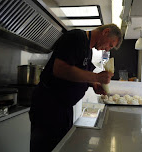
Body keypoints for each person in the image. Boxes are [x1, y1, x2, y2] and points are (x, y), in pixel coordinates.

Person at [29, 24, 123, 152]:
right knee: (45, 147)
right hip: (49, 105)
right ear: (106, 32)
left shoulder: (88, 50)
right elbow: (60, 69)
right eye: (110, 45)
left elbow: (83, 74)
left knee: (60, 147)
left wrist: (94, 84)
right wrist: (96, 78)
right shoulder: (76, 38)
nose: (107, 50)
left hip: (63, 108)